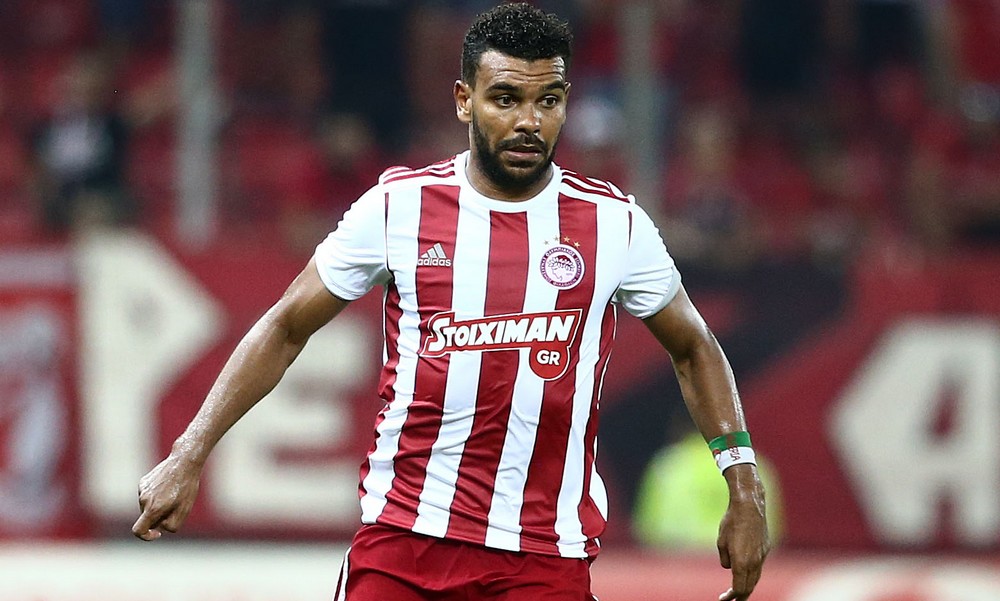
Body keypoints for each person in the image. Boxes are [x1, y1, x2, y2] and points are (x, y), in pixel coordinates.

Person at [132, 4, 769, 600]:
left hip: (544, 557)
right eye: (506, 99)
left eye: (547, 100)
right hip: (404, 542)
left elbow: (694, 348)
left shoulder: (614, 225)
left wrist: (744, 488)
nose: (529, 121)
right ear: (465, 100)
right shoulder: (397, 208)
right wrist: (189, 453)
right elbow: (285, 326)